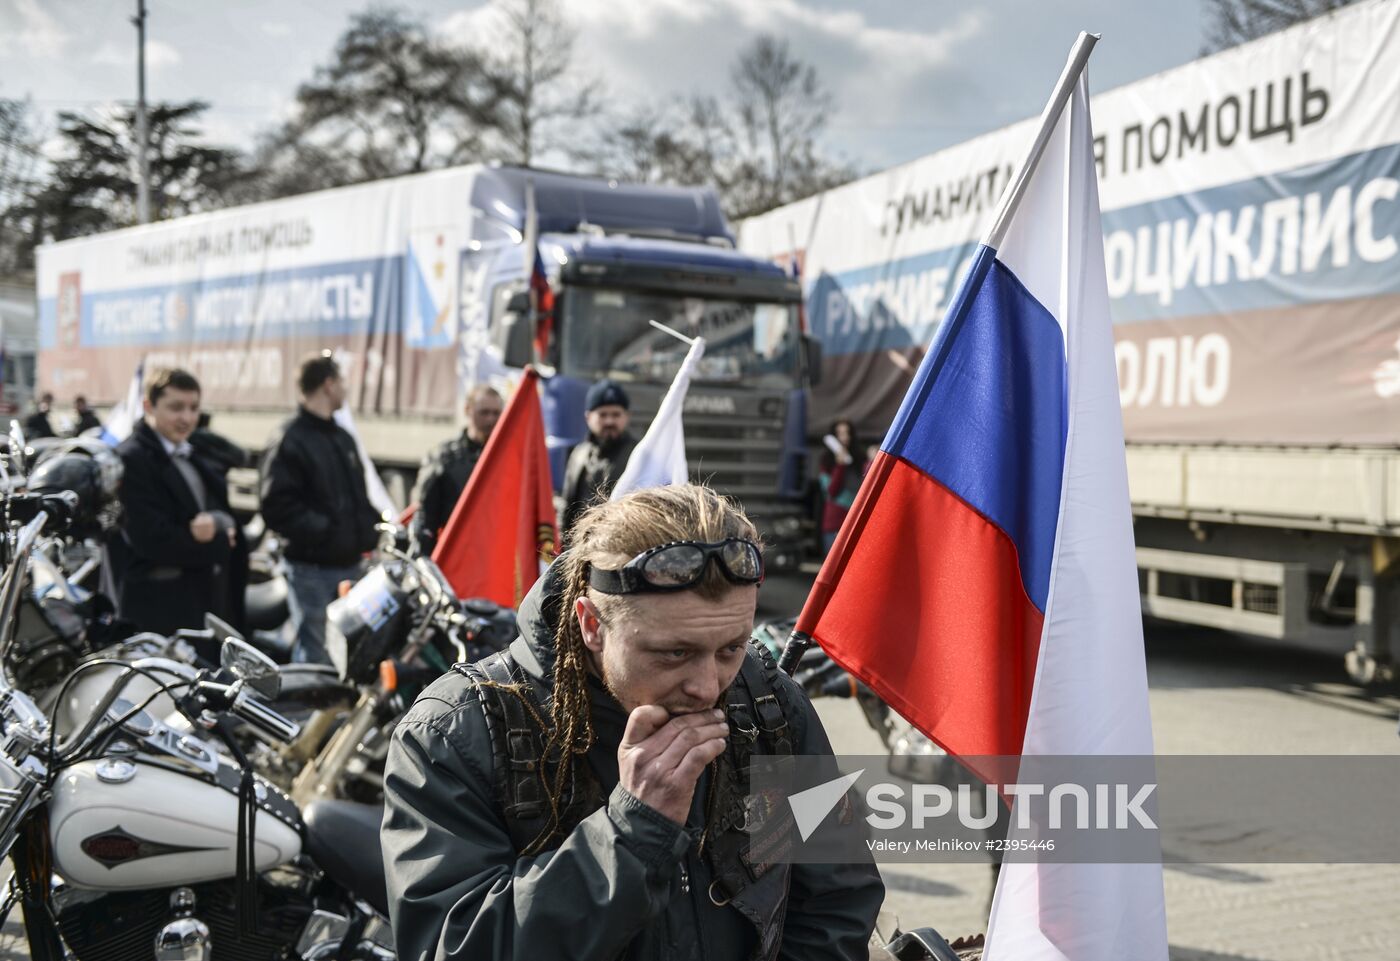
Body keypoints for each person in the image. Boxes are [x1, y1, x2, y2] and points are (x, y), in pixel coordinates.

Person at [382, 483, 884, 961]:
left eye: (730, 647)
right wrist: (632, 831)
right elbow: (451, 946)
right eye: (674, 653)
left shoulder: (766, 700)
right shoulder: (456, 732)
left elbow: (835, 901)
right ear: (591, 624)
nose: (707, 686)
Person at [260, 352, 379, 664]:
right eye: (342, 382)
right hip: (311, 571)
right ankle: (309, 713)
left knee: (347, 656)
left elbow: (358, 498)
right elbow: (276, 507)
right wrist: (328, 531)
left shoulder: (342, 438)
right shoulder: (290, 438)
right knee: (317, 656)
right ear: (328, 385)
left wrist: (373, 531)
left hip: (349, 566)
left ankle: (337, 714)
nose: (345, 390)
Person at [110, 368, 246, 635]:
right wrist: (218, 541)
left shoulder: (190, 452)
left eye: (193, 408)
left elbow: (216, 507)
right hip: (158, 614)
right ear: (149, 406)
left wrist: (218, 523)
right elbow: (151, 539)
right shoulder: (130, 459)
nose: (186, 417)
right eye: (176, 408)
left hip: (198, 607)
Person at [411, 385, 504, 553]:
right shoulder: (443, 458)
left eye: (496, 413)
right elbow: (425, 517)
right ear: (467, 410)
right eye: (484, 412)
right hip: (457, 556)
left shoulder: (510, 458)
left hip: (497, 554)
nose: (491, 419)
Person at [560, 378, 637, 538]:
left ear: (627, 416)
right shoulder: (578, 454)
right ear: (588, 417)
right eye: (602, 415)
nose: (609, 421)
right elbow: (567, 508)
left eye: (616, 414)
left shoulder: (638, 455)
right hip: (580, 547)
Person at [819, 419, 870, 554]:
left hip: (855, 521)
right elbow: (831, 491)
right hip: (835, 522)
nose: (844, 438)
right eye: (840, 434)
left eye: (847, 433)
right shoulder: (827, 461)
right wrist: (840, 466)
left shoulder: (860, 459)